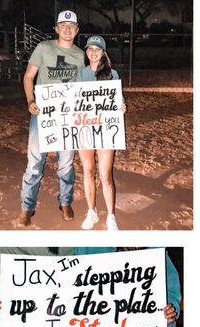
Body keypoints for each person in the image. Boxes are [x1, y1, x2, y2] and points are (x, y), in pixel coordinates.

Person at [17, 11, 84, 228]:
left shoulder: (81, 55)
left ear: (77, 29)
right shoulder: (44, 48)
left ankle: (65, 202)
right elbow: (29, 76)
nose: (67, 29)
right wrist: (30, 100)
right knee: (35, 163)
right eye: (63, 25)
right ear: (56, 28)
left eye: (71, 25)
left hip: (67, 117)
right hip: (43, 114)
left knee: (65, 164)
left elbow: (87, 86)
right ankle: (27, 207)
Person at [76, 36, 126, 230]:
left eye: (97, 49)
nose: (93, 52)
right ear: (86, 52)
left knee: (105, 175)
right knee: (88, 171)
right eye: (90, 49)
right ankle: (92, 211)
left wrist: (121, 107)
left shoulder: (112, 73)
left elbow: (118, 99)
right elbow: (74, 100)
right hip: (85, 128)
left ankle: (111, 215)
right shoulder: (81, 74)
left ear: (103, 52)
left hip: (105, 129)